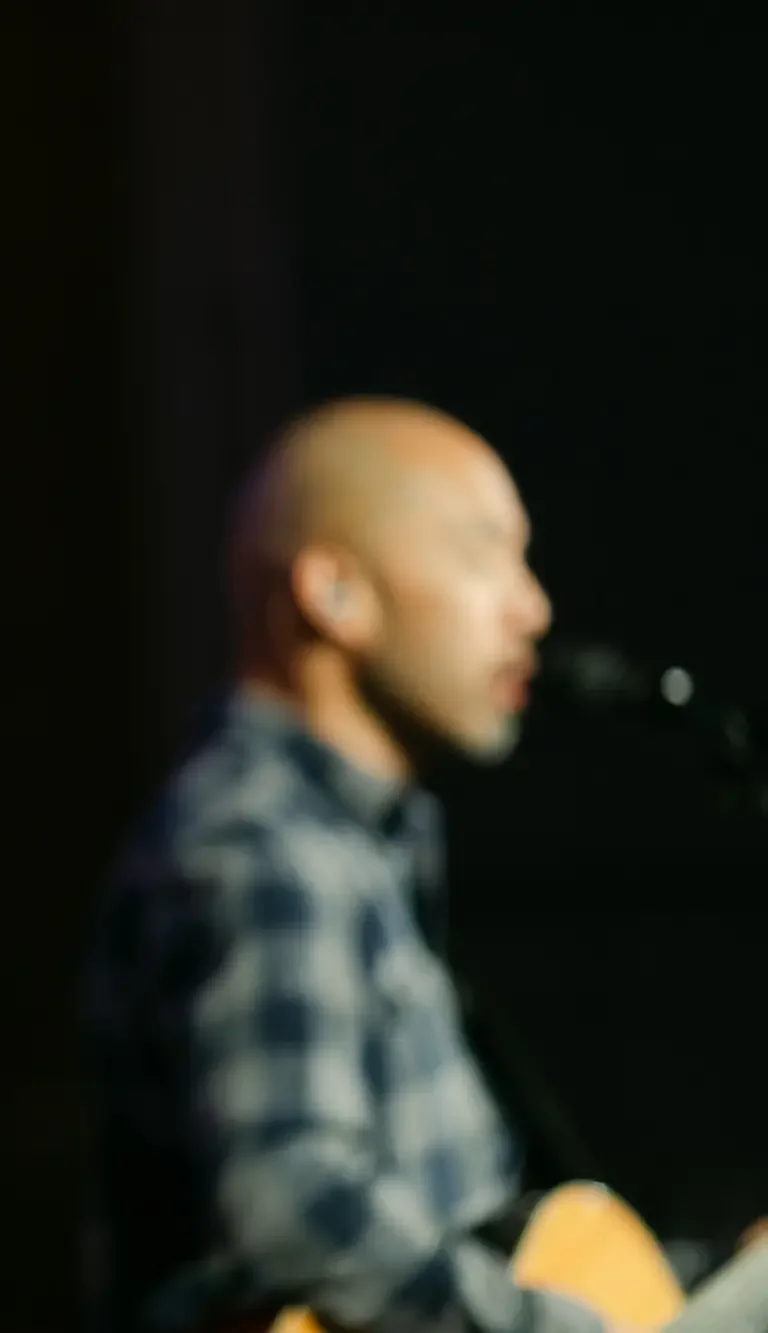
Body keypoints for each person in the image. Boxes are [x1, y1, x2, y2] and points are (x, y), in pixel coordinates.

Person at [80, 397, 603, 1332]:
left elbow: (470, 1222)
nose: (533, 608)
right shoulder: (263, 844)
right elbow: (293, 1201)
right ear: (335, 595)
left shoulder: (356, 840)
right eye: (483, 554)